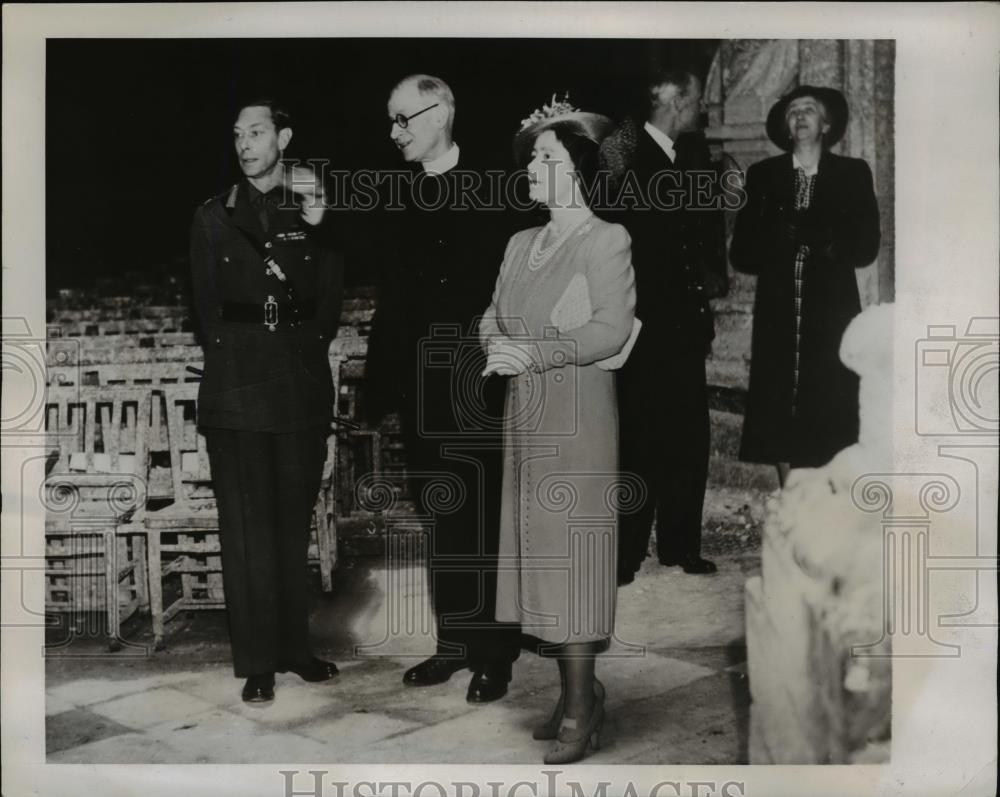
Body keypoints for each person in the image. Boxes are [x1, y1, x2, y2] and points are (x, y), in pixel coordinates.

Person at [479, 96, 636, 763]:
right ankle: (581, 688)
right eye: (534, 158)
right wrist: (495, 343)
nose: (533, 169)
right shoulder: (520, 242)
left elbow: (611, 329)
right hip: (527, 413)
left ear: (577, 168)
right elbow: (491, 312)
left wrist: (532, 352)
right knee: (540, 553)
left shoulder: (607, 238)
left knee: (573, 552)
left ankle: (579, 707)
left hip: (579, 414)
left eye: (546, 158)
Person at [363, 74, 520, 702]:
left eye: (404, 119)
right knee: (441, 514)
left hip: (478, 378)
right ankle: (453, 642)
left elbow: (510, 289)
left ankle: (493, 654)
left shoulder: (495, 188)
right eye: (391, 121)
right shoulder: (396, 196)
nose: (395, 132)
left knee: (482, 517)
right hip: (418, 384)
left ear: (442, 114)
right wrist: (382, 389)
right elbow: (392, 302)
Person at [189, 98, 344, 704]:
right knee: (248, 529)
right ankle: (257, 661)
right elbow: (206, 309)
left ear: (283, 136)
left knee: (289, 524)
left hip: (299, 385)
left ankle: (294, 649)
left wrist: (299, 358)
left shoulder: (313, 206)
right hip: (237, 389)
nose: (244, 143)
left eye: (256, 132)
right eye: (237, 134)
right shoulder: (211, 216)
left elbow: (328, 298)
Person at [600, 68, 718, 581]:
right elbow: (602, 222)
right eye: (694, 100)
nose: (701, 109)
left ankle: (679, 545)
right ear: (673, 101)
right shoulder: (622, 149)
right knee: (640, 437)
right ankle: (625, 554)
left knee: (690, 436)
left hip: (685, 324)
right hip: (641, 324)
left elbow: (702, 234)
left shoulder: (693, 154)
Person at [729, 85, 880, 484]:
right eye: (793, 111)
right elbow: (741, 254)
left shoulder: (852, 173)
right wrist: (775, 237)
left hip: (830, 315)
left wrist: (826, 241)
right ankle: (793, 501)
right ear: (784, 125)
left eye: (809, 110)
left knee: (832, 402)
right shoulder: (763, 176)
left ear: (826, 124)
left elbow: (867, 248)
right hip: (780, 314)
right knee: (779, 403)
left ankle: (829, 508)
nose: (799, 116)